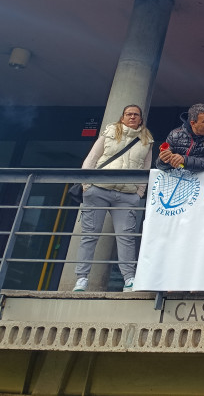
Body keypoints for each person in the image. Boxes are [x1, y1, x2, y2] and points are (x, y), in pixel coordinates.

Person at [75, 104, 153, 293]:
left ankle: (129, 279)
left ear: (141, 119)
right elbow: (92, 157)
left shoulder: (147, 140)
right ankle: (82, 279)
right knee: (89, 236)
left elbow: (146, 168)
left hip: (127, 195)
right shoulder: (109, 132)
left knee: (126, 237)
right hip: (99, 189)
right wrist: (86, 184)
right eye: (128, 114)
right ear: (122, 117)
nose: (132, 117)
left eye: (136, 115)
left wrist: (139, 193)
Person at [157, 103, 204, 172]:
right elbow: (160, 166)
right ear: (193, 123)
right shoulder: (174, 135)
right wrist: (164, 160)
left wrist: (184, 160)